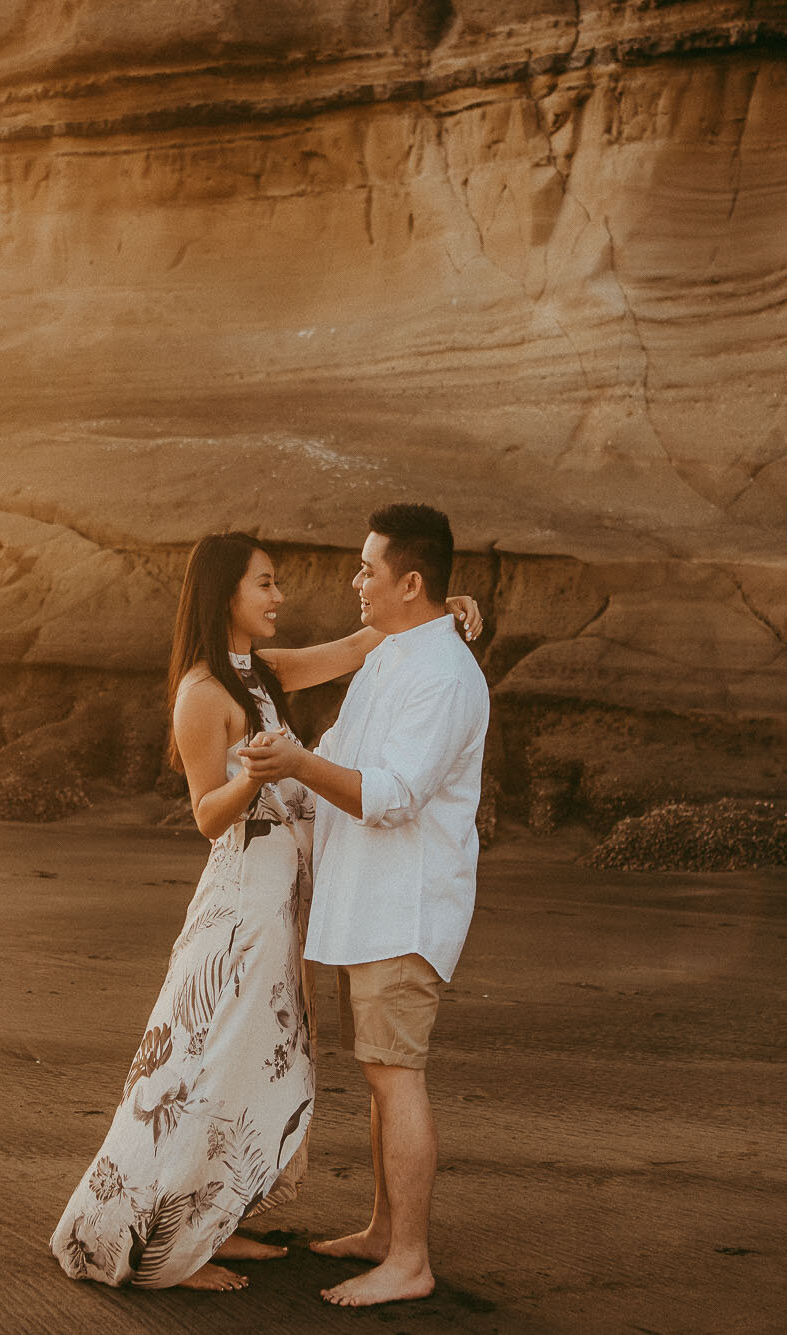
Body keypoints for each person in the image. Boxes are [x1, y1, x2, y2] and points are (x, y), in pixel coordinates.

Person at [50, 531, 482, 1293]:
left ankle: (210, 1221)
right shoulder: (201, 692)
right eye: (265, 584)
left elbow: (360, 640)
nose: (279, 596)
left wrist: (447, 610)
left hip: (284, 906)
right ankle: (163, 1250)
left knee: (246, 1070)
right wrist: (259, 775)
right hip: (242, 905)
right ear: (226, 595)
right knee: (204, 1063)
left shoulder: (262, 673)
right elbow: (207, 817)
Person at [237, 503, 489, 1308]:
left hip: (405, 908)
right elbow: (341, 756)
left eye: (367, 569)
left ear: (410, 582)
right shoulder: (396, 656)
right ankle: (385, 1229)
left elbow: (392, 795)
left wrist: (299, 763)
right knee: (382, 1076)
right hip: (368, 905)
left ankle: (409, 1259)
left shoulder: (445, 676)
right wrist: (277, 777)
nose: (355, 581)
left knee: (398, 1077)